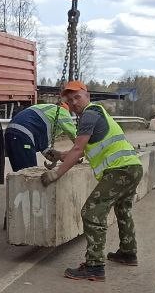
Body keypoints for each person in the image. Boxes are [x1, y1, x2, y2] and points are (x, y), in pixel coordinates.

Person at [40, 81, 144, 281]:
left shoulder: (89, 114)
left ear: (87, 96)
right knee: (123, 209)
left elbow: (78, 149)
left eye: (77, 97)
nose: (74, 102)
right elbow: (79, 152)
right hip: (132, 167)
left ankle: (94, 266)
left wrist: (56, 174)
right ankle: (128, 253)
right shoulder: (96, 114)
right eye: (70, 100)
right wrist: (60, 155)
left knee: (91, 212)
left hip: (119, 170)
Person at [5, 101, 77, 171]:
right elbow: (75, 136)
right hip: (23, 135)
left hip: (10, 134)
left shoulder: (46, 110)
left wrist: (59, 155)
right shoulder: (62, 111)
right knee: (29, 173)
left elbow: (43, 147)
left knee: (18, 173)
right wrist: (77, 154)